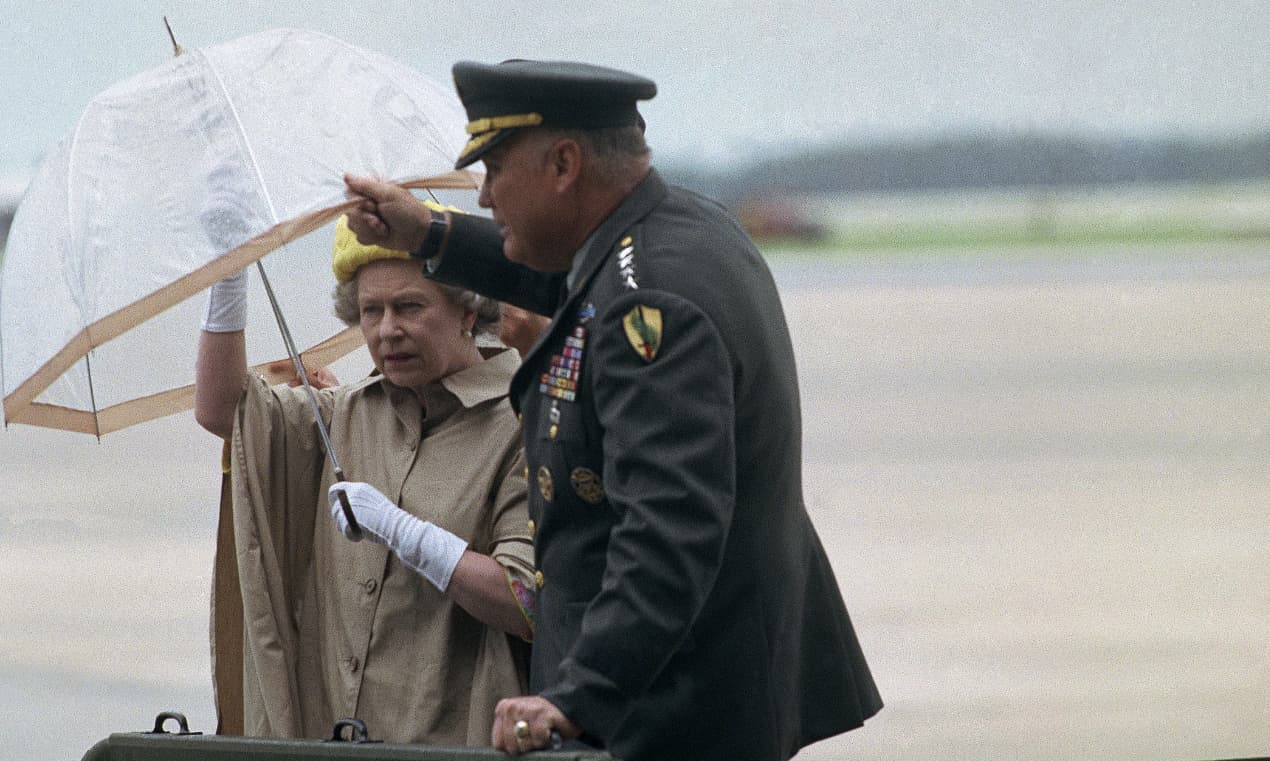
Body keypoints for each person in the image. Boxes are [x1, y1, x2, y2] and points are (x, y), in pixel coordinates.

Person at [342, 59, 882, 761]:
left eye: (496, 169)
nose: (485, 197)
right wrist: (427, 234)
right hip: (706, 686)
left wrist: (576, 697)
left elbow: (668, 533)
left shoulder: (649, 305)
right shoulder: (683, 229)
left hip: (669, 711)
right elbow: (567, 272)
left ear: (564, 163)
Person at [194, 211, 537, 745]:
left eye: (410, 307)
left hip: (456, 749)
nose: (386, 330)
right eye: (370, 311)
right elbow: (221, 411)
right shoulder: (343, 414)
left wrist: (403, 533)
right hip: (332, 744)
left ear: (469, 310)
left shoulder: (525, 423)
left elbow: (527, 600)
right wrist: (228, 269)